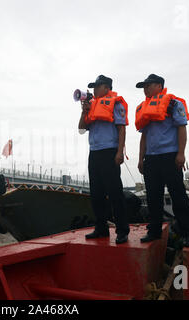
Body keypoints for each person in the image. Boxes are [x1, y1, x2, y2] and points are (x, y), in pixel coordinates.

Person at [135, 74, 189, 247]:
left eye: (148, 85)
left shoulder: (173, 104)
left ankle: (188, 233)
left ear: (159, 86)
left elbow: (181, 128)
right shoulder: (144, 108)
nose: (145, 89)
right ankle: (154, 231)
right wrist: (141, 159)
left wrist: (181, 154)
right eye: (144, 87)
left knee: (178, 195)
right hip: (151, 159)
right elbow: (144, 137)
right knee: (153, 197)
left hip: (170, 155)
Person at [78, 75, 130, 244]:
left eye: (97, 86)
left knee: (115, 192)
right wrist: (84, 110)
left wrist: (119, 152)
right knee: (96, 193)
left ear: (107, 88)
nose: (94, 89)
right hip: (94, 153)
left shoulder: (116, 103)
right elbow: (81, 128)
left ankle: (122, 230)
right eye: (94, 87)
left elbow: (121, 129)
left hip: (110, 152)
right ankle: (101, 228)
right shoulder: (92, 106)